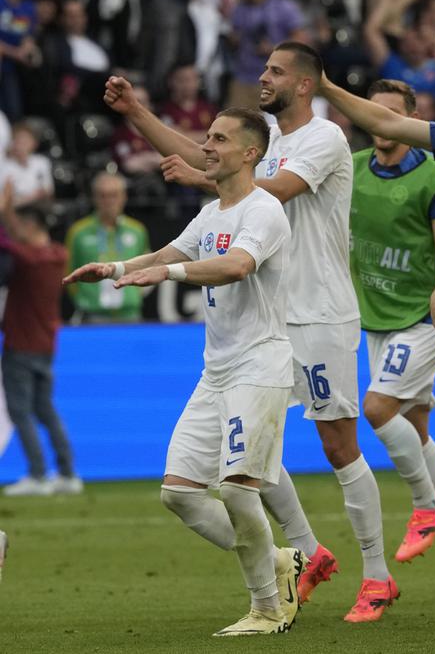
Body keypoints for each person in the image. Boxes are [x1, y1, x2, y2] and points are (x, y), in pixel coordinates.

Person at [105, 43, 372, 618]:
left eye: (275, 70)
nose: (263, 77)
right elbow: (212, 159)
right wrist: (139, 115)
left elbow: (260, 189)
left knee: (337, 443)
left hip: (318, 308)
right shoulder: (250, 153)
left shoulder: (323, 137)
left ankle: (374, 574)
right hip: (265, 316)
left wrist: (215, 186)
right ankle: (305, 552)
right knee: (250, 451)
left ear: (305, 83)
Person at [62, 107, 303, 636]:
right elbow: (171, 250)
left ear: (250, 153)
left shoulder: (263, 210)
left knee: (239, 490)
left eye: (219, 139)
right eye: (207, 136)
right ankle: (279, 560)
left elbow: (237, 266)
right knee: (179, 493)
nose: (207, 146)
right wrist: (118, 268)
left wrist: (164, 274)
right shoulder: (214, 211)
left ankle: (266, 607)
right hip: (215, 370)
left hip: (259, 365)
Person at [347, 77, 435, 610]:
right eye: (374, 113)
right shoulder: (354, 170)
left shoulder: (434, 177)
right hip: (377, 320)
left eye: (392, 115)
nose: (382, 125)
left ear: (407, 121)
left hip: (422, 317)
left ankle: (429, 508)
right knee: (414, 430)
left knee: (379, 408)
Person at [0, 187, 77, 497]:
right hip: (47, 345)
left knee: (20, 411)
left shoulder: (29, 258)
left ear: (32, 224)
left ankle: (37, 474)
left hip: (21, 344)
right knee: (45, 410)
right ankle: (68, 474)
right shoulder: (58, 255)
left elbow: (7, 241)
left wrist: (5, 210)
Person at [64, 173, 149, 323]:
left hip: (130, 314)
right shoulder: (78, 232)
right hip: (93, 314)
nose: (109, 201)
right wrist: (83, 299)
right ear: (94, 198)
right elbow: (68, 270)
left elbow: (148, 266)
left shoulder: (137, 230)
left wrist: (134, 295)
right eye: (103, 196)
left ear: (124, 197)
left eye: (114, 195)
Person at [227, 0, 307, 109]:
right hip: (243, 77)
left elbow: (301, 39)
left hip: (275, 79)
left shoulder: (283, 6)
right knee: (234, 127)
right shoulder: (240, 8)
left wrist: (275, 49)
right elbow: (234, 38)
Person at [0, 123, 52, 208]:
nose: (21, 145)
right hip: (16, 213)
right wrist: (31, 198)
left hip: (41, 210)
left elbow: (49, 193)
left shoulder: (42, 162)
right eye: (18, 140)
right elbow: (4, 203)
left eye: (25, 141)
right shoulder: (4, 167)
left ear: (34, 143)